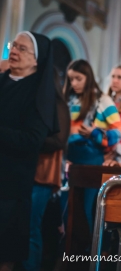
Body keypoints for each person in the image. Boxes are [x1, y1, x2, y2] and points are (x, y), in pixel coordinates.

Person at [0, 32, 58, 271]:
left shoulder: (40, 94)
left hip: (12, 182)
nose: (14, 51)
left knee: (5, 248)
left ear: (37, 60)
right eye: (14, 46)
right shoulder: (2, 81)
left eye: (22, 49)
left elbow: (32, 140)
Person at [64, 59, 121, 233]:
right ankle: (68, 255)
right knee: (67, 211)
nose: (74, 83)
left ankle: (92, 254)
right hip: (69, 158)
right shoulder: (68, 99)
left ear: (88, 78)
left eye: (78, 79)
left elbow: (118, 132)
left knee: (89, 210)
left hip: (91, 159)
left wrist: (95, 134)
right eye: (71, 79)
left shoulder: (101, 100)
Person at [22, 68, 70, 271]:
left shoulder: (57, 103)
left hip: (42, 172)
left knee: (31, 228)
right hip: (25, 169)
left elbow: (59, 140)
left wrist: (27, 139)